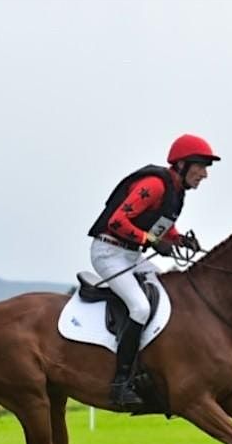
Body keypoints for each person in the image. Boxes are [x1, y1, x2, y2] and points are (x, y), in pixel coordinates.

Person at [87, 133, 220, 408]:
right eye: (201, 166)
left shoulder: (177, 193)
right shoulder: (155, 185)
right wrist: (150, 241)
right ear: (183, 165)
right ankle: (121, 381)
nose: (205, 174)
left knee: (168, 293)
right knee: (140, 308)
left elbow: (162, 228)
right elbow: (117, 221)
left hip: (130, 255)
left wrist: (179, 239)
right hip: (109, 252)